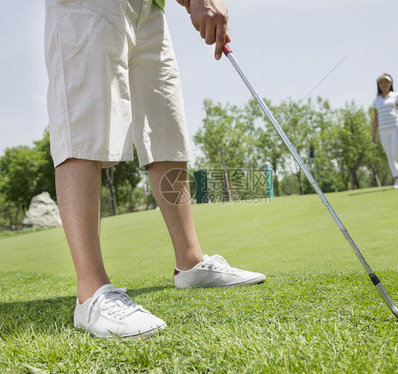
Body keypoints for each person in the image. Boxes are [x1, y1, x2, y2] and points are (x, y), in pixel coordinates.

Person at [44, 0, 265, 339]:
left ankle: (189, 263)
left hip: (150, 8)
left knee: (167, 127)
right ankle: (91, 292)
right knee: (84, 119)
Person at [372, 74, 398, 189]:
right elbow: (376, 119)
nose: (384, 84)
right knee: (389, 156)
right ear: (378, 85)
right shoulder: (376, 101)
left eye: (386, 82)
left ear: (390, 84)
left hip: (395, 127)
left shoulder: (396, 96)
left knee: (396, 153)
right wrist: (373, 134)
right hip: (383, 130)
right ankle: (397, 179)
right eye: (381, 83)